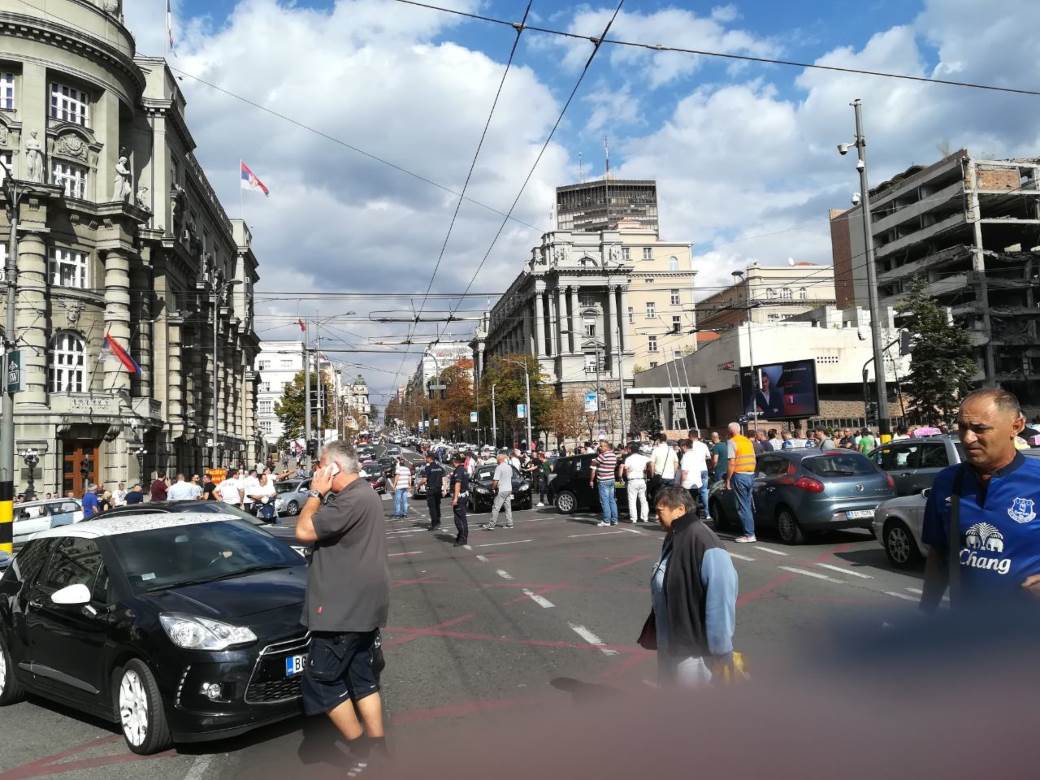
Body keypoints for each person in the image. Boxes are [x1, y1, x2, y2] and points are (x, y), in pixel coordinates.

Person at [294, 442, 390, 771]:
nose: (315, 471)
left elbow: (304, 530)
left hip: (340, 611)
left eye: (320, 466)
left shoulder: (348, 499)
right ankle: (379, 748)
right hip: (363, 608)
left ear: (333, 468)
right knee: (361, 677)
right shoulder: (365, 494)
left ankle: (361, 747)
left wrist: (315, 494)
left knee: (321, 681)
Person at [920, 389, 1040, 611]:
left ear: (1016, 427)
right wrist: (926, 612)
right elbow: (938, 555)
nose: (967, 438)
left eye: (979, 429)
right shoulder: (947, 481)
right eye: (962, 427)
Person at [641, 486, 738, 687]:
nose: (656, 517)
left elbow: (721, 599)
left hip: (694, 652)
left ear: (680, 509)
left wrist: (720, 649)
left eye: (660, 511)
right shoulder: (676, 535)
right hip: (672, 643)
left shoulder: (704, 542)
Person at [725, 422, 758, 543]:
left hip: (739, 475)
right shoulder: (747, 441)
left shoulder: (732, 442)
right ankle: (751, 531)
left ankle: (749, 534)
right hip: (750, 474)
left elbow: (731, 463)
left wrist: (728, 479)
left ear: (730, 432)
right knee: (748, 505)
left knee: (742, 506)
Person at [589, 439, 619, 527]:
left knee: (604, 501)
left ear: (606, 447)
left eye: (601, 446)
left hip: (603, 480)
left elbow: (593, 463)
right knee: (612, 500)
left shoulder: (603, 455)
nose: (600, 447)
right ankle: (614, 519)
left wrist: (594, 461)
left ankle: (606, 520)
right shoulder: (613, 456)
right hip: (611, 479)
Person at [483, 453, 514, 530]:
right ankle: (509, 523)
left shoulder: (499, 468)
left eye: (497, 459)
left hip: (502, 490)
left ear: (499, 460)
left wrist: (493, 488)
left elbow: (495, 480)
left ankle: (491, 524)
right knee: (508, 507)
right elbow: (511, 477)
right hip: (509, 489)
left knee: (496, 507)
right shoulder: (509, 467)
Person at [622, 441, 651, 524]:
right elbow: (651, 463)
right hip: (642, 480)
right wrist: (648, 471)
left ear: (631, 450)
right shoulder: (643, 457)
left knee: (632, 500)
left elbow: (626, 469)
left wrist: (626, 475)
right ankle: (645, 517)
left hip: (632, 480)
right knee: (643, 500)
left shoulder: (629, 459)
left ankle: (633, 518)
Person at [687, 430, 713, 520]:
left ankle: (693, 513)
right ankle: (707, 513)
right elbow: (709, 457)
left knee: (693, 492)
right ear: (697, 436)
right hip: (704, 469)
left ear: (690, 436)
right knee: (704, 491)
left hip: (694, 470)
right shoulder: (703, 445)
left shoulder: (690, 446)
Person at [418, 453, 445, 531]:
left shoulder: (428, 468)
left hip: (431, 490)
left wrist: (418, 485)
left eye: (426, 458)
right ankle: (438, 521)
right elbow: (444, 479)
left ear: (430, 458)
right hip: (438, 489)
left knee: (432, 508)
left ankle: (434, 524)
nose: (425, 459)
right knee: (437, 506)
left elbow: (424, 480)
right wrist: (445, 489)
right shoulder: (440, 468)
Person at [679, 439, 704, 514]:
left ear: (684, 446)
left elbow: (684, 472)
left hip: (688, 484)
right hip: (697, 482)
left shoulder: (686, 457)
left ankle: (690, 520)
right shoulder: (697, 455)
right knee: (695, 503)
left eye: (681, 447)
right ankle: (697, 519)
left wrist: (680, 483)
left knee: (688, 504)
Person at [450, 452, 469, 547]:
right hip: (464, 495)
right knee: (461, 518)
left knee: (459, 519)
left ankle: (463, 537)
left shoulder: (458, 471)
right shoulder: (463, 469)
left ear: (455, 460)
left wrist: (455, 498)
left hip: (460, 497)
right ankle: (461, 535)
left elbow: (458, 484)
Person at [650, 433, 678, 499]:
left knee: (660, 496)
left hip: (659, 476)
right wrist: (674, 473)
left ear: (659, 440)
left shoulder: (656, 450)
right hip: (670, 476)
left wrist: (652, 475)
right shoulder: (671, 450)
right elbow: (676, 462)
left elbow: (652, 464)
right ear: (666, 440)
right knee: (670, 496)